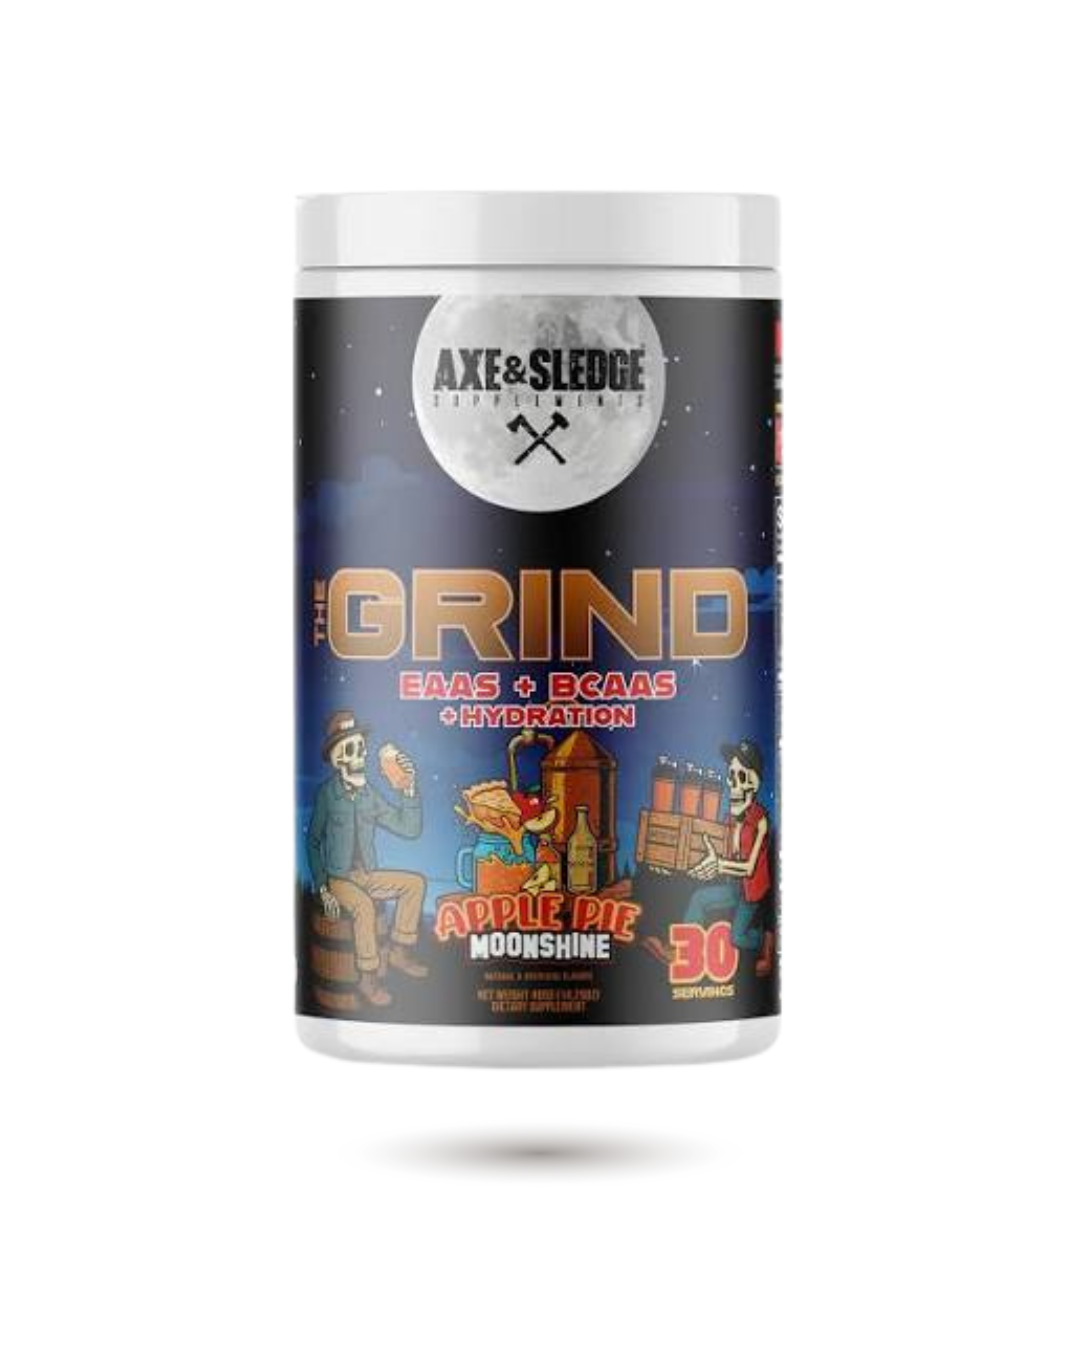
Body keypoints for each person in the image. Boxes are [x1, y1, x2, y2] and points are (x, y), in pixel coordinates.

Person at [306, 710, 427, 1007]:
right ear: (337, 759)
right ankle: (368, 978)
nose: (360, 755)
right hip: (339, 878)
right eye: (350, 749)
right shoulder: (327, 795)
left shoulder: (368, 794)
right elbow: (313, 841)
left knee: (415, 883)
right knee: (363, 906)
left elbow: (408, 829)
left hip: (367, 874)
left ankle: (399, 951)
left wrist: (408, 791)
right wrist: (322, 886)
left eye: (360, 747)